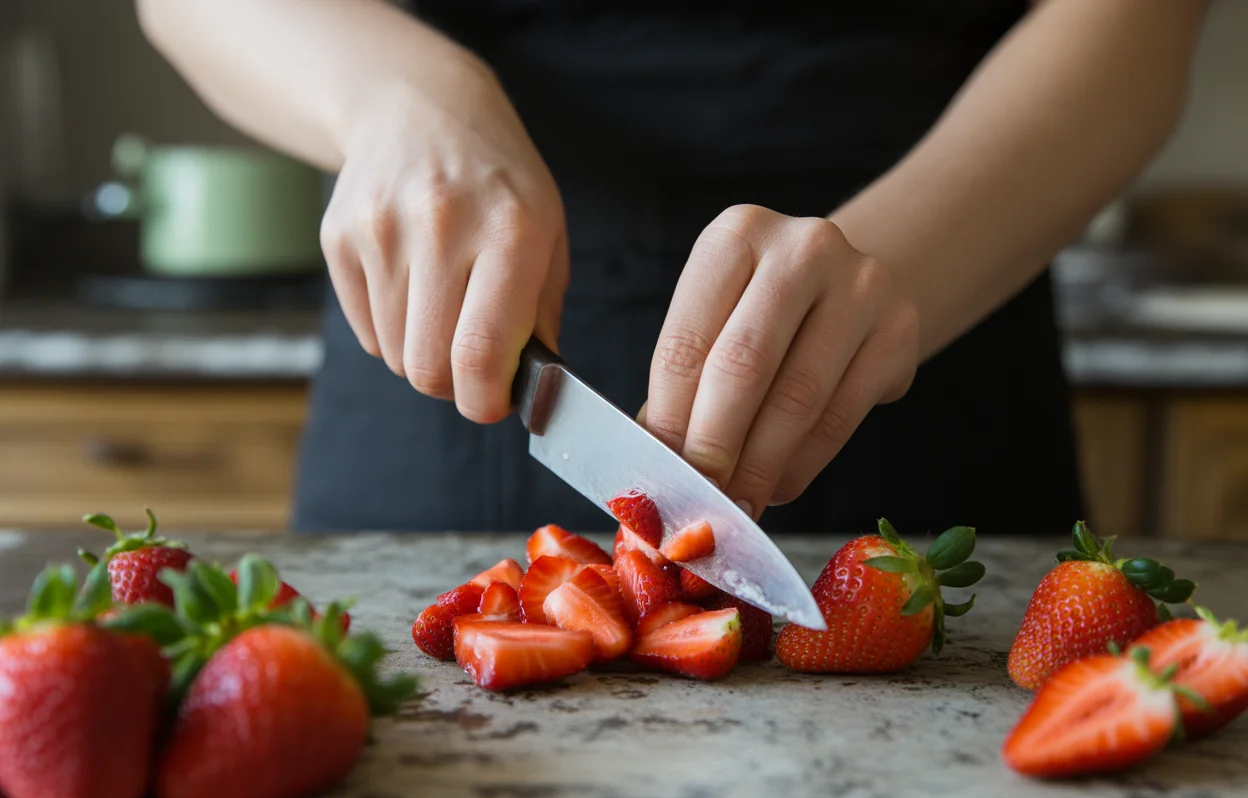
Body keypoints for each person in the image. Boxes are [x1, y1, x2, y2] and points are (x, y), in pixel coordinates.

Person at [136, 0, 1206, 535]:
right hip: (445, 364)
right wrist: (399, 97)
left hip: (939, 314)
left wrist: (900, 266)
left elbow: (1136, 23)